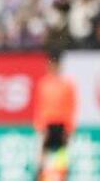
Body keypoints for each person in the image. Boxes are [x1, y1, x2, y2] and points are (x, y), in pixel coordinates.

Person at [34, 50, 77, 181]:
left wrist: (69, 128)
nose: (54, 68)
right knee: (42, 158)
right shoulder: (43, 84)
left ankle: (61, 178)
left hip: (62, 125)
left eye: (56, 65)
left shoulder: (67, 85)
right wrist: (40, 127)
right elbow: (39, 106)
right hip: (47, 125)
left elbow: (71, 106)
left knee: (62, 156)